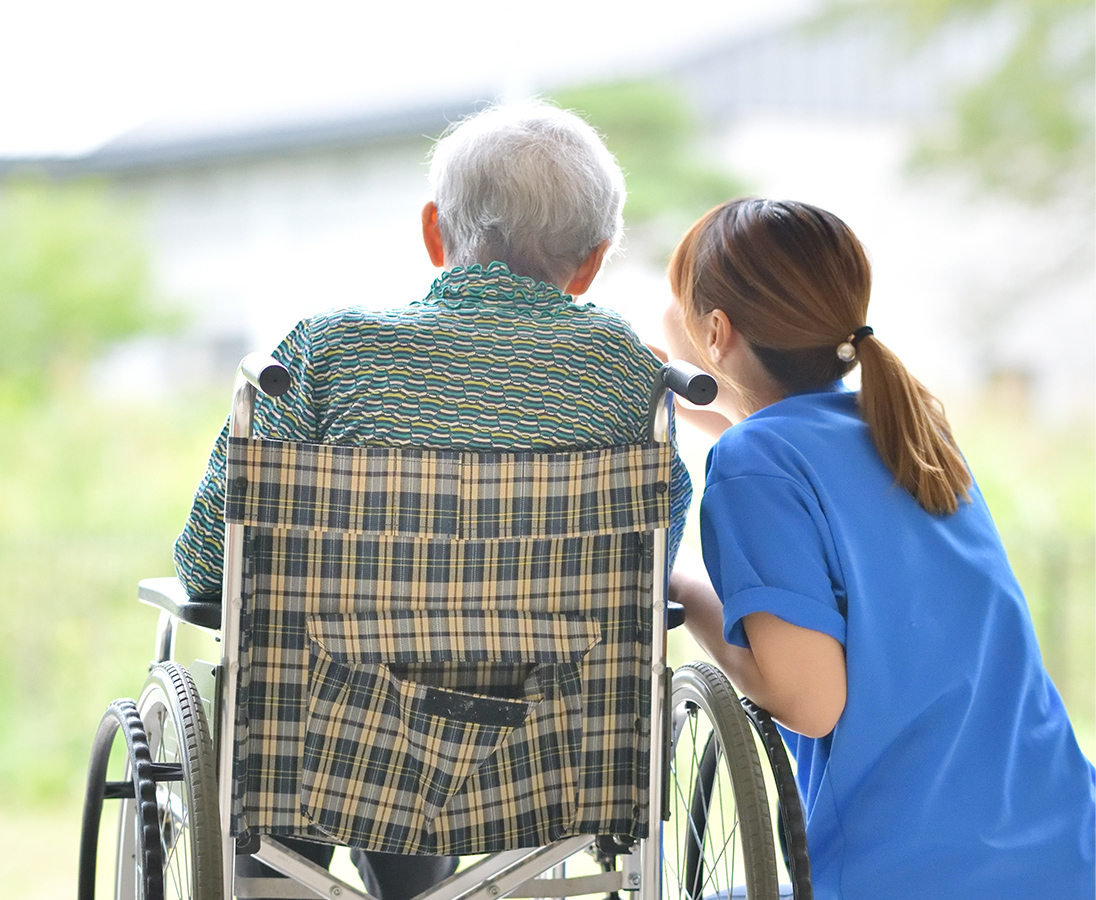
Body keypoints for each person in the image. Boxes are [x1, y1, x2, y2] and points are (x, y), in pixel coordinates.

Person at [174, 101, 692, 900]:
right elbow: (647, 570)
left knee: (315, 691)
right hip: (548, 754)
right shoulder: (624, 372)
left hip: (328, 745)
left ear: (433, 230)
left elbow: (213, 562)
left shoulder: (325, 352)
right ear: (591, 263)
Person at [661, 197, 1095, 899]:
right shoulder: (907, 422)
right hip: (1066, 850)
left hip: (912, 874)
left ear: (716, 330)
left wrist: (684, 590)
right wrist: (720, 415)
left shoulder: (755, 462)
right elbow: (809, 474)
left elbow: (809, 702)